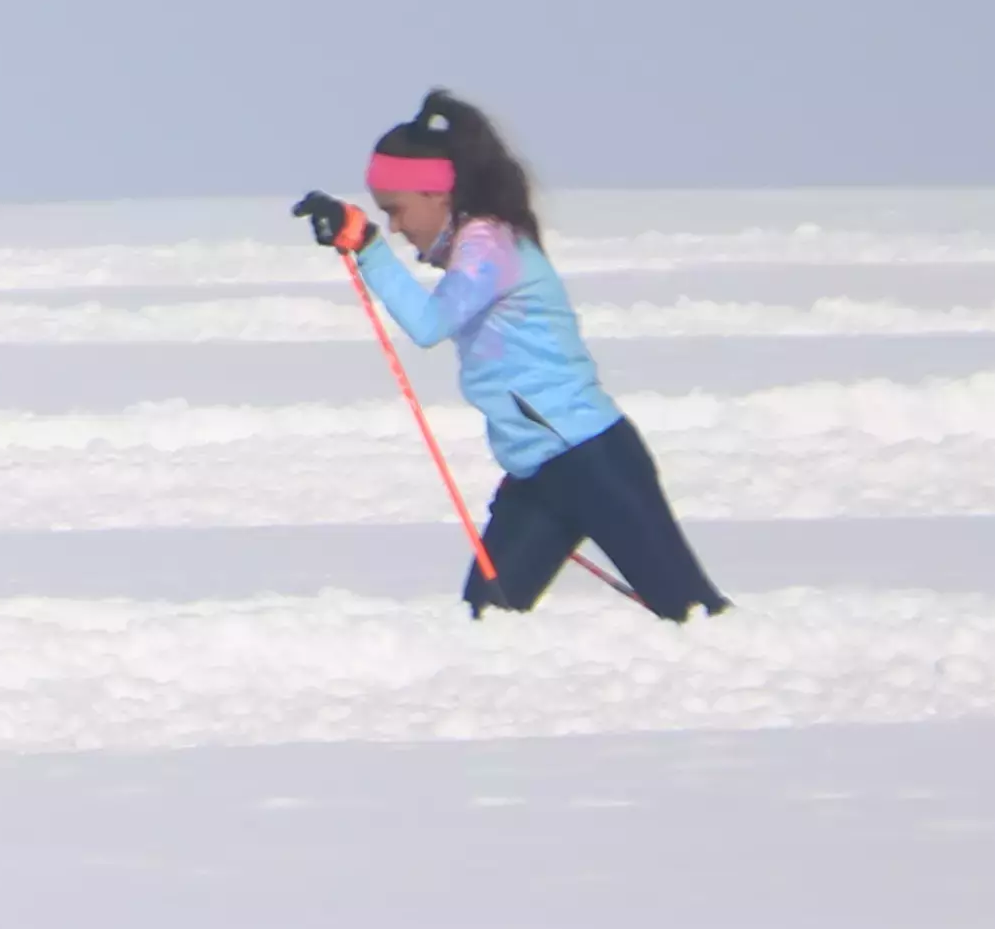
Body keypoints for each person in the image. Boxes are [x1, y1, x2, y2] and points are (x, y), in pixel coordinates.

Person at [297, 91, 727, 624]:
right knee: (487, 621)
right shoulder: (474, 245)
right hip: (538, 474)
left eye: (397, 210)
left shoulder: (491, 245)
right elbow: (442, 265)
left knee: (692, 614)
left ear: (438, 194)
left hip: (591, 460)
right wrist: (361, 238)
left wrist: (368, 248)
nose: (396, 227)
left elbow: (431, 324)